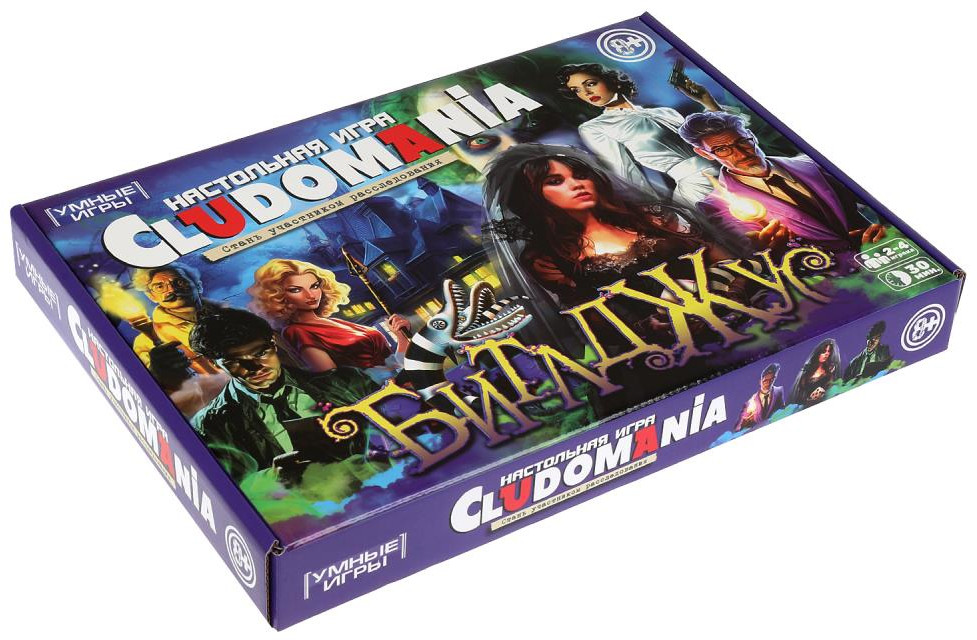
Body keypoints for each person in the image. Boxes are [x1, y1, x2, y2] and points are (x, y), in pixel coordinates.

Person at [483, 143, 742, 310]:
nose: (577, 184)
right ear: (532, 196)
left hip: (736, 301)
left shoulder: (654, 217)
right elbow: (592, 317)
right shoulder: (547, 259)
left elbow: (723, 258)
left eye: (580, 175)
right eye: (555, 181)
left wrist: (735, 289)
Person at [189, 307, 377, 483]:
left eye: (261, 353)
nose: (255, 368)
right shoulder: (209, 425)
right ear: (214, 363)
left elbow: (392, 430)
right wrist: (271, 478)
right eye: (234, 362)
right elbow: (224, 487)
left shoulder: (349, 382)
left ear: (274, 344)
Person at [678, 112, 886, 267]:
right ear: (704, 154)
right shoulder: (716, 205)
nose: (740, 153)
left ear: (751, 135)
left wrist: (888, 229)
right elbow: (755, 253)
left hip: (885, 253)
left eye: (742, 141)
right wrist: (764, 249)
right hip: (833, 277)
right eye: (723, 149)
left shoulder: (814, 164)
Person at [558, 62, 741, 207]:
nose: (586, 93)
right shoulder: (594, 127)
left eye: (590, 84)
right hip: (697, 187)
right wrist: (654, 208)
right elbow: (624, 172)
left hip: (733, 172)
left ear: (611, 81)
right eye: (577, 90)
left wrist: (708, 103)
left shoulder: (665, 112)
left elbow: (720, 138)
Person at [247, 259, 410, 378]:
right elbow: (337, 382)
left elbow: (394, 364)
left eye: (314, 286)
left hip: (406, 381)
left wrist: (401, 337)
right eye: (296, 290)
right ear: (278, 296)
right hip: (387, 396)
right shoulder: (296, 331)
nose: (310, 295)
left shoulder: (334, 322)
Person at [790, 339, 842, 407]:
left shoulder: (830, 371)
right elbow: (800, 395)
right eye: (824, 351)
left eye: (829, 351)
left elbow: (832, 388)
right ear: (818, 353)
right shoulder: (807, 372)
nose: (827, 354)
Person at [735, 363, 786, 431]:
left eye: (771, 380)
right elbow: (738, 426)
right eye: (765, 380)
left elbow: (782, 410)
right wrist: (743, 424)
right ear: (760, 381)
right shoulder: (751, 401)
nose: (768, 383)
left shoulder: (779, 391)